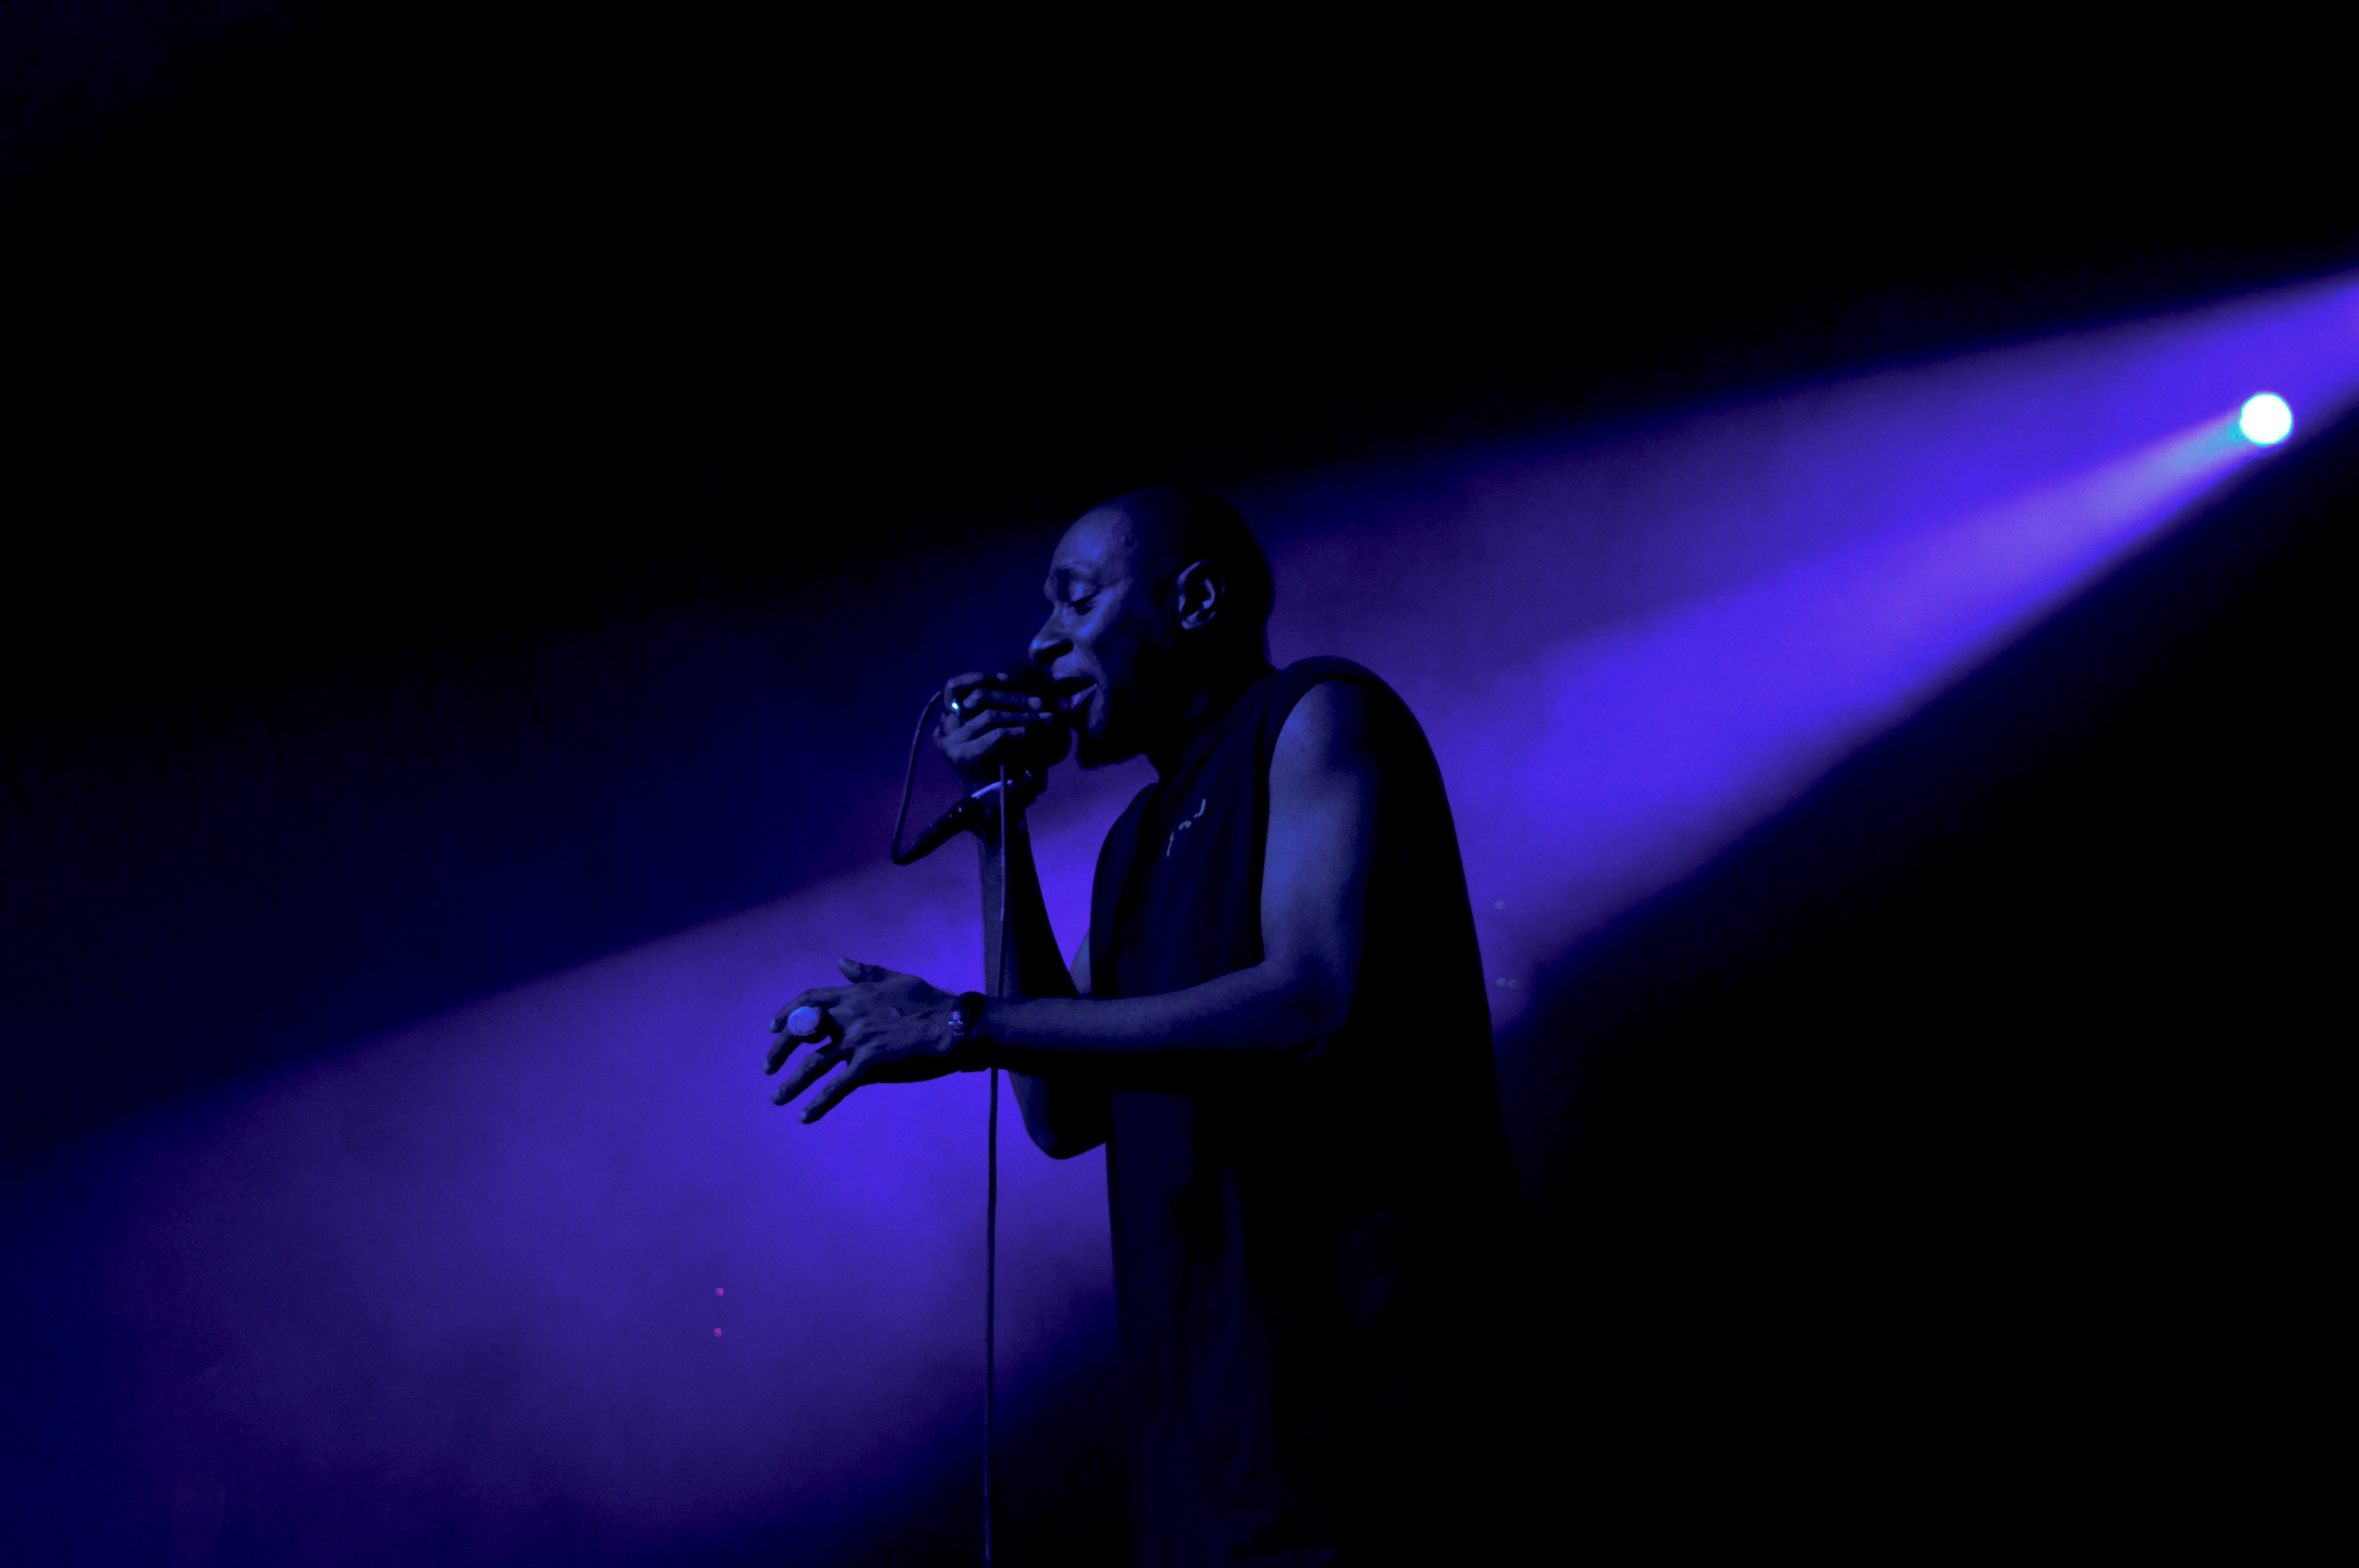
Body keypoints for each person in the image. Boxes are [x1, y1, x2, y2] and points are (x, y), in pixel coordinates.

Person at [767, 488, 1516, 1565]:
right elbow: (1062, 1110)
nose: (1041, 641)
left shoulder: (1315, 714)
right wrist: (1001, 826)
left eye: (1076, 601)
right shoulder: (1132, 843)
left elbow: (1313, 1000)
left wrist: (965, 1023)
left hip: (1370, 1426)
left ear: (1195, 600)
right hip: (1213, 1457)